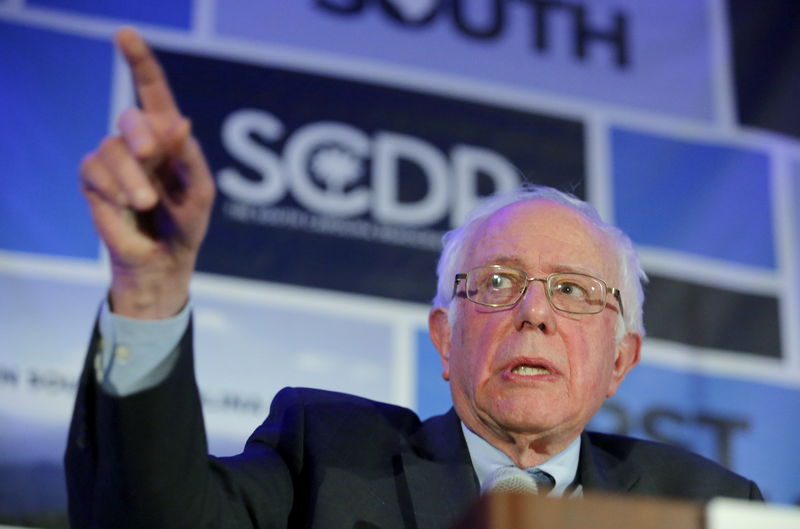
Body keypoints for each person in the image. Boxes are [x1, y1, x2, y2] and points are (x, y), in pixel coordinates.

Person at [65, 28, 762, 529]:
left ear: (620, 359)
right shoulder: (324, 457)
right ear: (443, 336)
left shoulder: (705, 502)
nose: (534, 312)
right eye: (496, 282)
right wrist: (150, 290)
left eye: (574, 289)